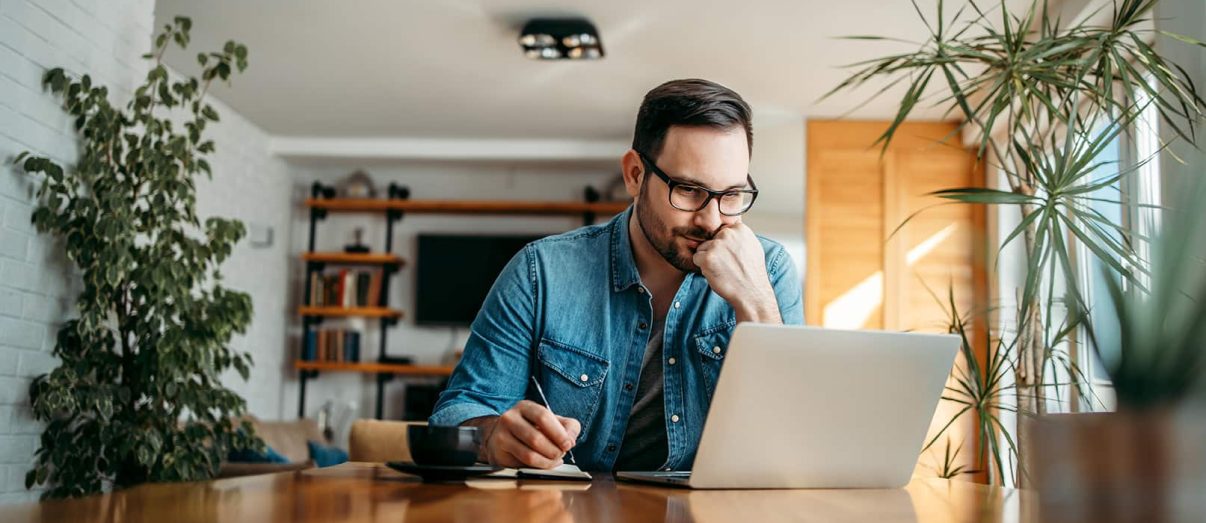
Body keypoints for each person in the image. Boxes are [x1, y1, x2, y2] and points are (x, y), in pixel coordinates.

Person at [429, 78, 803, 472]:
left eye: (730, 195)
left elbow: (794, 439)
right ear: (635, 175)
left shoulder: (770, 270)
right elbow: (457, 412)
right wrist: (492, 437)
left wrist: (757, 303)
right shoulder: (541, 272)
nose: (712, 220)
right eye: (690, 190)